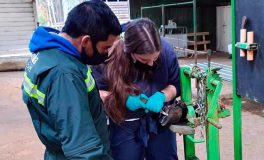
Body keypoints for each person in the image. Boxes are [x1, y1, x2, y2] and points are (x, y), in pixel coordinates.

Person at [21, 1, 121, 159]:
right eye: (105, 48)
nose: (107, 54)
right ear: (86, 41)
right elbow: (83, 150)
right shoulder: (64, 75)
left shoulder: (48, 52)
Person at [91, 18, 181, 160]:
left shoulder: (166, 51)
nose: (151, 64)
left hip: (159, 122)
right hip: (124, 124)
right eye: (145, 60)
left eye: (155, 58)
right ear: (130, 52)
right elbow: (97, 92)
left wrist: (162, 96)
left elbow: (175, 85)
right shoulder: (106, 57)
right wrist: (122, 99)